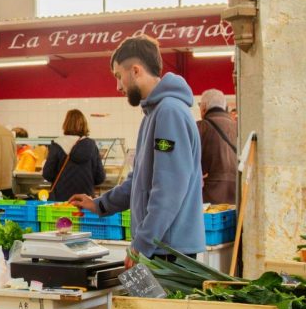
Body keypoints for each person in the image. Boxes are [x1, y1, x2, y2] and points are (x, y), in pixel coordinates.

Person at [69, 35, 205, 264]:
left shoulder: (169, 113)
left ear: (135, 70)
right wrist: (100, 204)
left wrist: (142, 244)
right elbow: (139, 181)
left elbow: (168, 190)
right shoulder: (154, 114)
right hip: (161, 246)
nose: (118, 86)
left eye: (118, 76)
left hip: (168, 250)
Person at [42, 109, 106, 201]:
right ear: (84, 124)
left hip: (60, 200)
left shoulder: (57, 145)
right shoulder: (91, 145)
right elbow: (100, 177)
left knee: (62, 216)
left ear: (66, 124)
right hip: (85, 200)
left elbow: (47, 174)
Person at [197, 89, 238, 204]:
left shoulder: (201, 127)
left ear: (204, 107)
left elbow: (181, 152)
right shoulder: (238, 128)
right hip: (236, 194)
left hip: (210, 197)